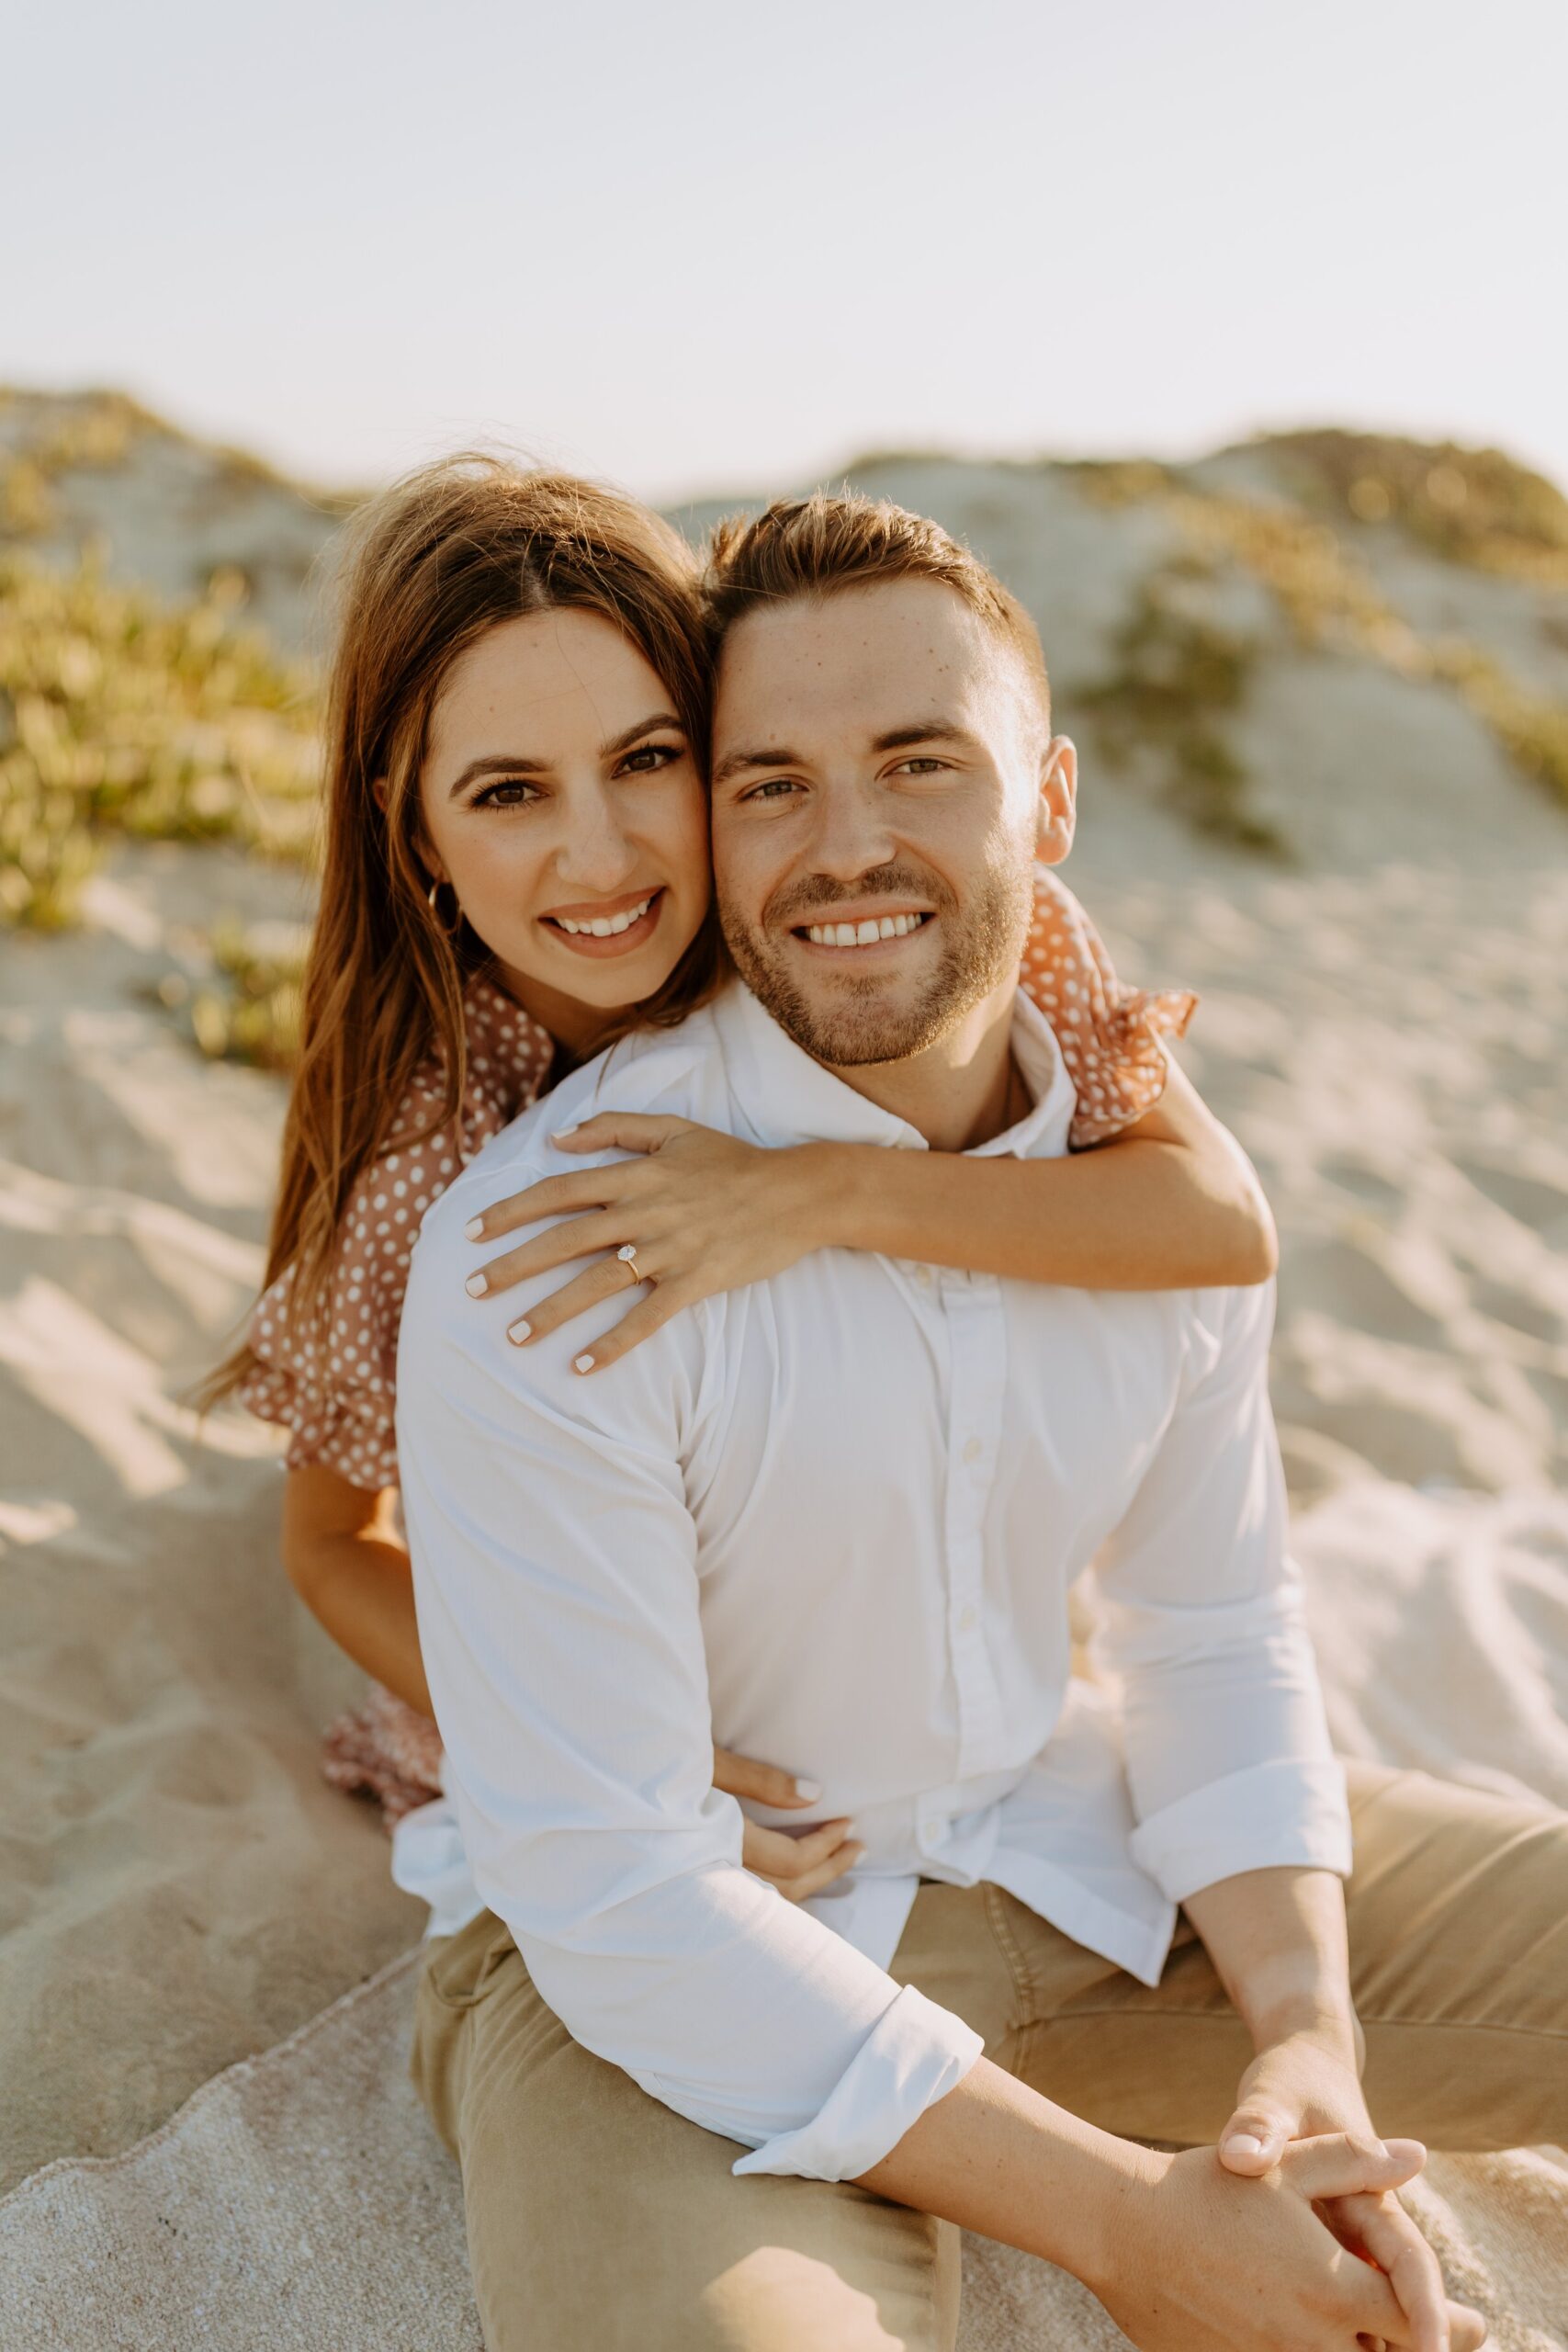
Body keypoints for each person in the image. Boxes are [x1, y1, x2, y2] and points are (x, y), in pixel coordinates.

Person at [396, 492, 1566, 2352]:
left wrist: (1304, 2036)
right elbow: (611, 1880)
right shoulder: (544, 1248)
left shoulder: (1156, 1194)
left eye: (918, 763)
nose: (842, 842)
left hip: (1070, 1842)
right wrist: (1129, 2226)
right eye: (770, 779)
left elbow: (1205, 1630)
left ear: (1050, 802)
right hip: (669, 1968)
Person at [220, 455, 1274, 1911]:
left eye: (648, 761)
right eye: (509, 793)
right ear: (420, 838)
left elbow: (1218, 1222)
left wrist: (823, 1190)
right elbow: (334, 1542)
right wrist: (622, 1747)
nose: (600, 857)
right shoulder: (437, 1146)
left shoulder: (862, 921)